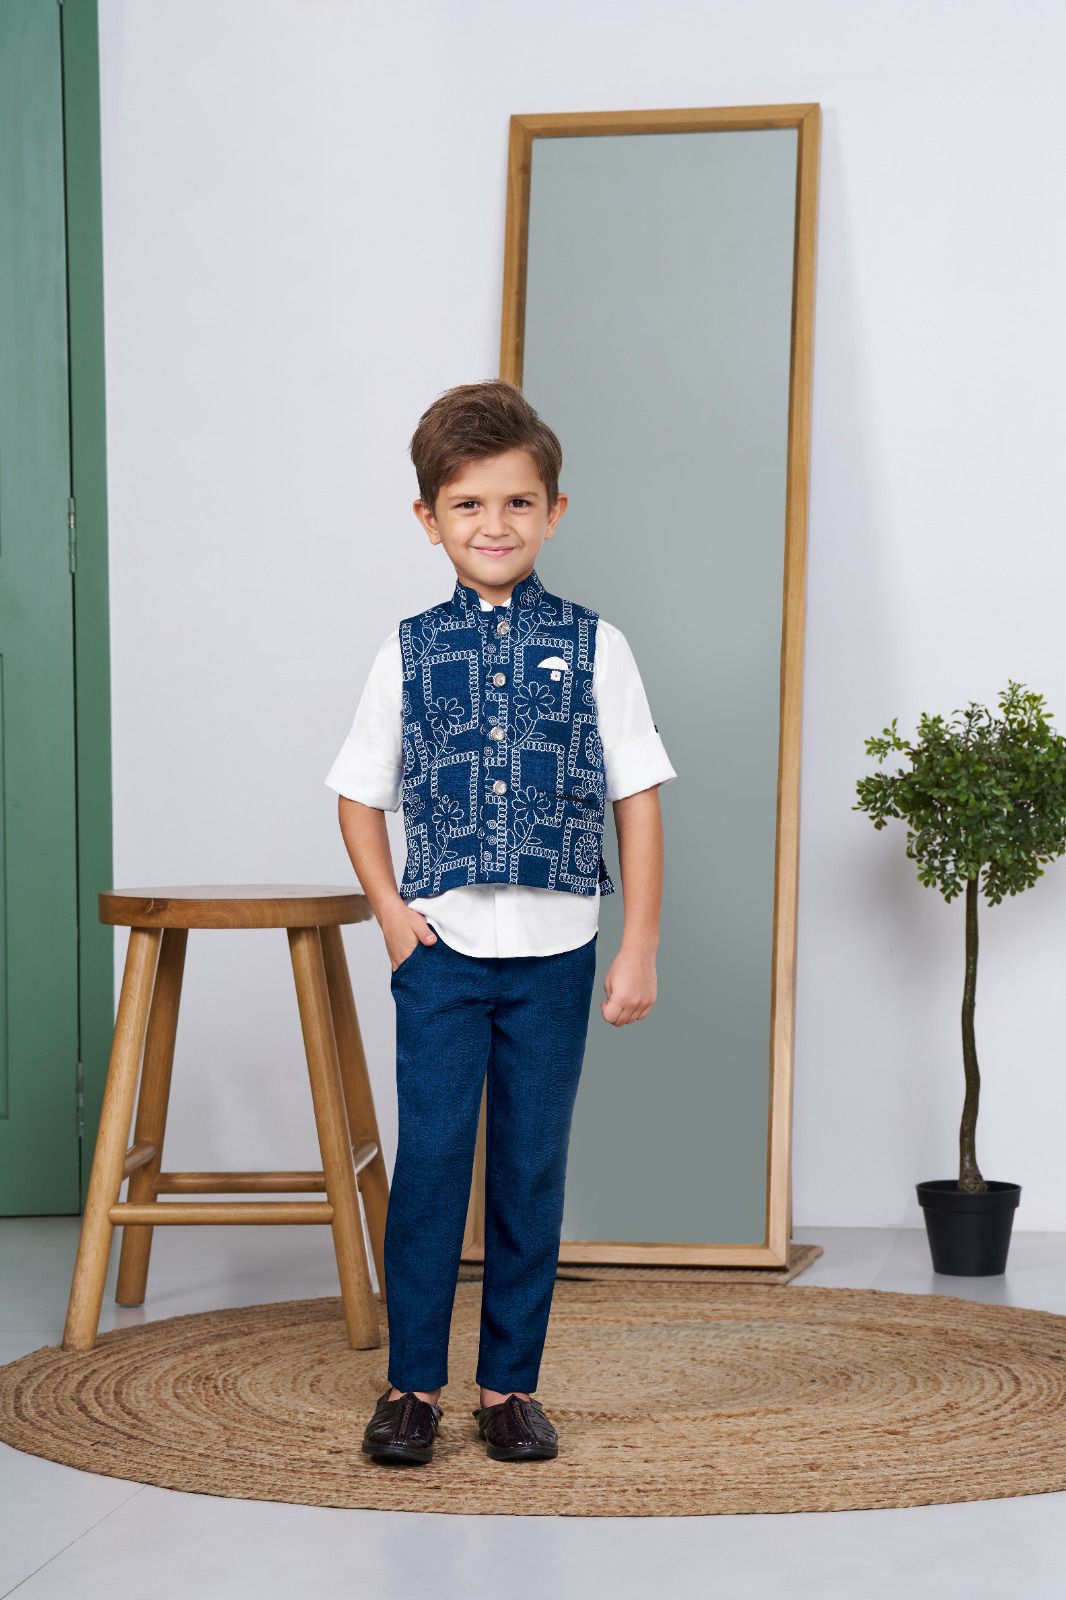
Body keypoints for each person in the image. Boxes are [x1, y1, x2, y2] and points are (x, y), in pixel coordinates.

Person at [324, 379, 676, 1466]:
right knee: (432, 1163)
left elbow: (638, 797)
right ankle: (412, 1389)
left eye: (518, 503)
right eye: (469, 505)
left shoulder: (594, 645)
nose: (494, 525)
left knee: (528, 1167)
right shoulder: (407, 648)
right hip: (439, 955)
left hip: (558, 954)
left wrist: (639, 942)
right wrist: (389, 912)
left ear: (554, 511)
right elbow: (357, 790)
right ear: (429, 519)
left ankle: (509, 1387)